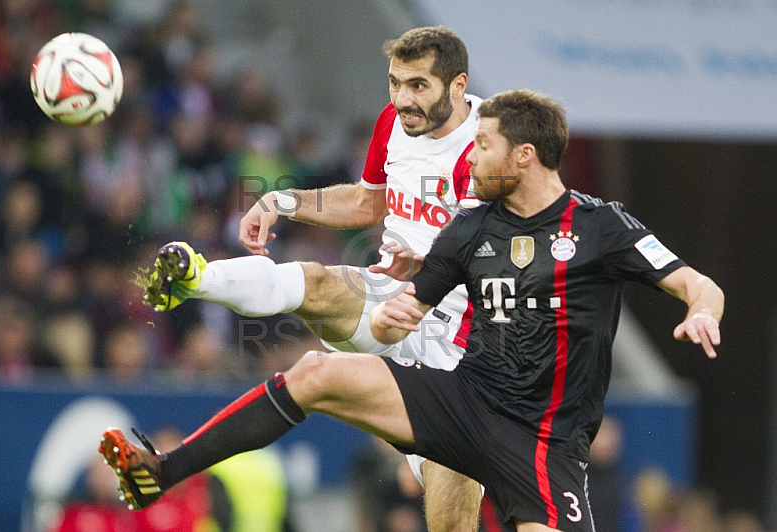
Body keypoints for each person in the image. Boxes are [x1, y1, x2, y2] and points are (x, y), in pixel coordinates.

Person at [100, 91, 722, 530]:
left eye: (483, 146)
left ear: (525, 156)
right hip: (466, 399)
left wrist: (701, 310)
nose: (469, 159)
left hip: (544, 439)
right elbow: (409, 307)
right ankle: (163, 471)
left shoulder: (600, 227)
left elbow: (699, 284)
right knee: (317, 374)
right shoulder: (470, 228)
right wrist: (398, 300)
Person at [138, 26, 485, 530]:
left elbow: (488, 253)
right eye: (395, 83)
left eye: (418, 86)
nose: (402, 100)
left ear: (457, 86)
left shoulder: (487, 146)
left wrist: (426, 267)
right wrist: (282, 201)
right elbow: (370, 200)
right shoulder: (394, 123)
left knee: (452, 519)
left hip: (457, 344)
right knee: (316, 290)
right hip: (392, 297)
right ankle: (195, 278)